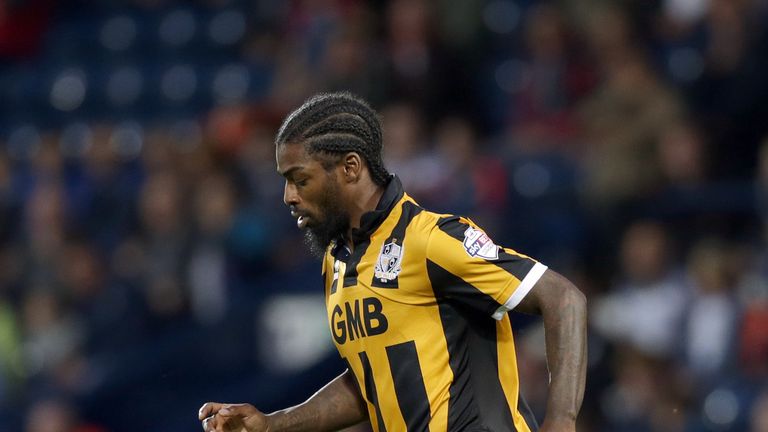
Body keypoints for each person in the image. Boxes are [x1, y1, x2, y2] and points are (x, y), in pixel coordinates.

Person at [199, 92, 587, 432]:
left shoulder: (430, 238)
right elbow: (371, 382)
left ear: (351, 168)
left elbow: (563, 299)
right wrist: (273, 424)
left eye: (300, 179)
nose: (288, 196)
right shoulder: (336, 262)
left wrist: (561, 420)